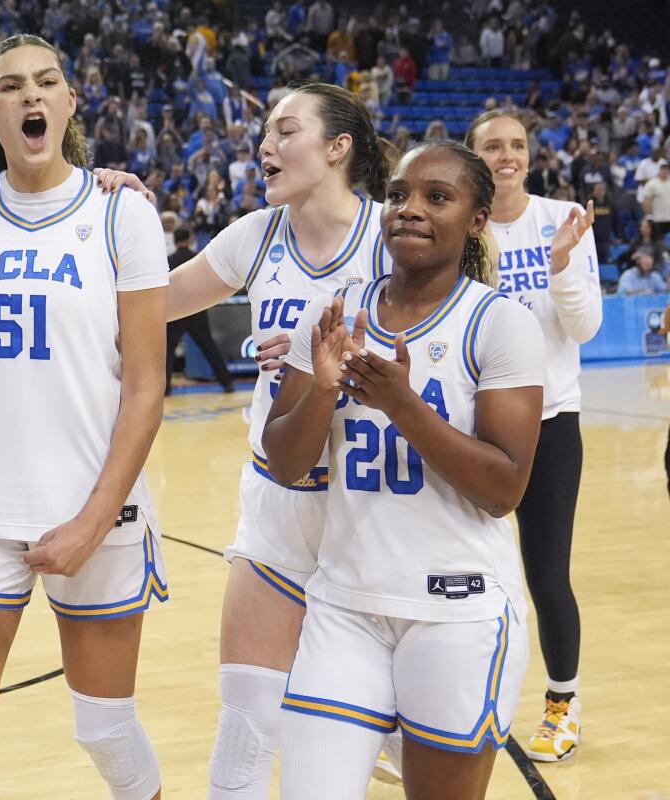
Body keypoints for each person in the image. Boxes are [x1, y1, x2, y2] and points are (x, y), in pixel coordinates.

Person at [95, 80, 400, 795]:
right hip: (279, 504)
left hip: (378, 513)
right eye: (263, 131)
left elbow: (451, 348)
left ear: (337, 148)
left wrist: (321, 357)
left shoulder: (396, 235)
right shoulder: (255, 236)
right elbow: (150, 304)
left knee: (386, 753)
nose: (264, 144)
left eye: (286, 130)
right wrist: (116, 219)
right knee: (243, 734)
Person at [0, 34, 169, 800]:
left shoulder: (121, 214)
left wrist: (95, 518)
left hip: (97, 512)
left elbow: (146, 388)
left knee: (106, 730)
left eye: (47, 82)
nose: (31, 95)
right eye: (12, 87)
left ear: (69, 103)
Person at [266, 141, 545, 798]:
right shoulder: (335, 311)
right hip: (345, 605)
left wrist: (401, 404)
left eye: (437, 197)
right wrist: (325, 390)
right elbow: (284, 460)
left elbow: (503, 488)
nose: (410, 209)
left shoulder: (499, 324)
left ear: (477, 220)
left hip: (459, 611)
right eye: (397, 195)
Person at [466, 109, 601, 763]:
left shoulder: (563, 219)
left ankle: (562, 705)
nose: (507, 155)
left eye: (517, 144)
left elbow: (585, 328)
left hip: (551, 424)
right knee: (463, 572)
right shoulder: (461, 223)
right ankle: (454, 703)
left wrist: (562, 268)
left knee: (547, 575)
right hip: (476, 426)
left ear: (530, 153)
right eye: (493, 146)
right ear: (474, 156)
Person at [164, 226, 234, 394]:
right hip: (197, 309)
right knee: (208, 345)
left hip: (176, 310)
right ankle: (227, 382)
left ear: (174, 241)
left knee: (168, 349)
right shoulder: (198, 259)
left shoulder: (168, 260)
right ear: (189, 239)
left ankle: (165, 388)